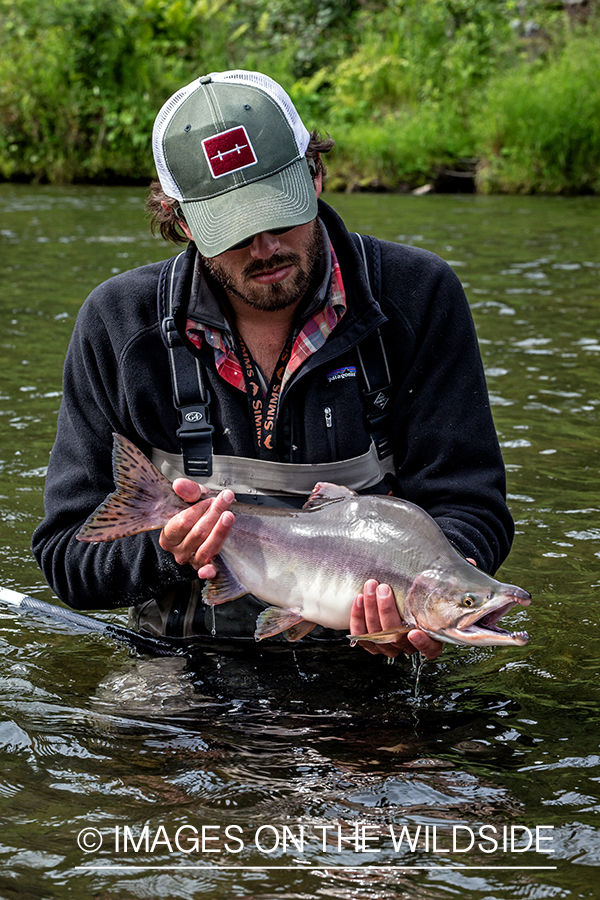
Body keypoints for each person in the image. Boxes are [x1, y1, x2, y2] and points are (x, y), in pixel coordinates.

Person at [32, 70, 514, 662]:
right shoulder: (118, 325)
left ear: (315, 175)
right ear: (182, 222)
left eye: (279, 213)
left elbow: (473, 506)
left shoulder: (418, 297)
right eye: (233, 231)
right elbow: (68, 560)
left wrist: (431, 589)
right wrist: (167, 548)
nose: (265, 248)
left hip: (368, 665)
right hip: (179, 660)